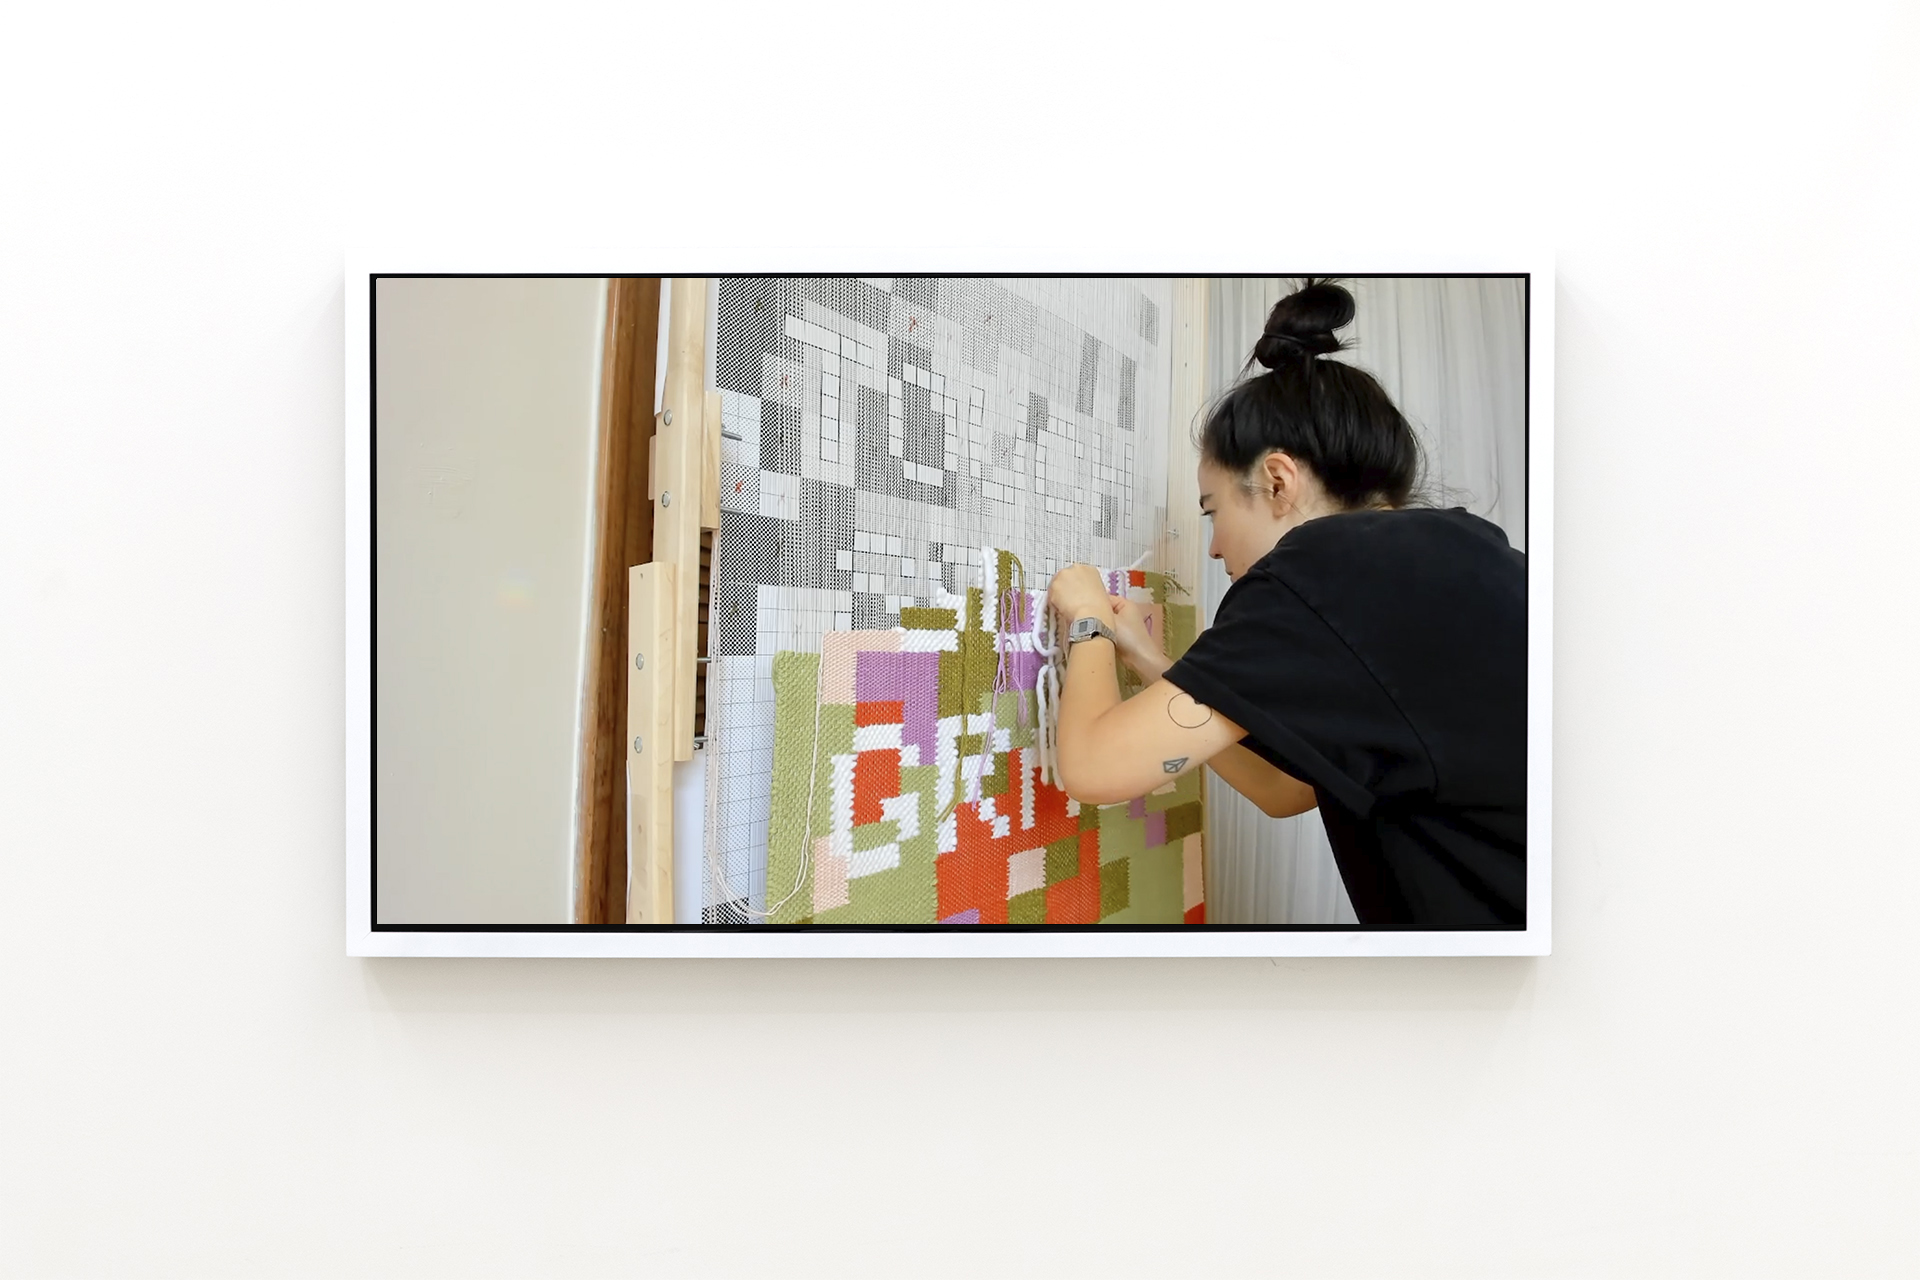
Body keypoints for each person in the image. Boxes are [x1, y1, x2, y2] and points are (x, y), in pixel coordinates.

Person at [1046, 280, 1527, 927]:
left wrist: (1088, 623)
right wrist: (1152, 661)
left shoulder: (1323, 574)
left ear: (1277, 481)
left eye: (1213, 511)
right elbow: (1287, 790)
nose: (1213, 547)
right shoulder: (1448, 559)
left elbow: (1092, 769)